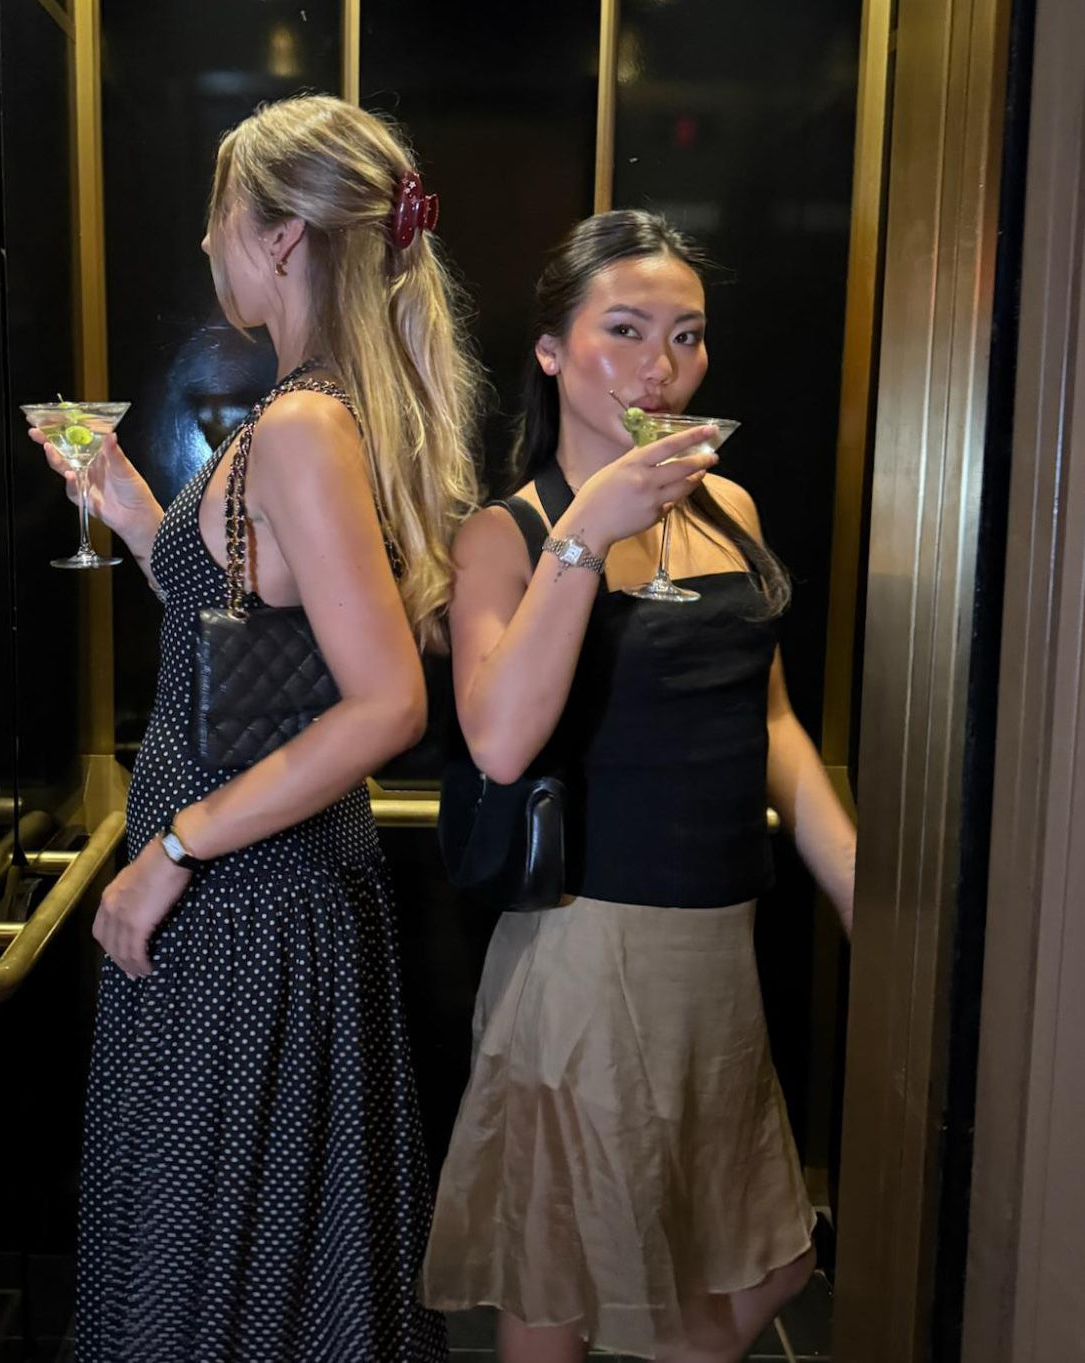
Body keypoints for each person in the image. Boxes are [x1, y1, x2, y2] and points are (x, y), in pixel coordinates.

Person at [31, 94, 480, 1362]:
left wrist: (169, 856)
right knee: (250, 1277)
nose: (205, 242)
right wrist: (133, 505)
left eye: (219, 215)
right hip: (260, 901)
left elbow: (387, 702)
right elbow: (243, 628)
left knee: (210, 1284)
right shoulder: (316, 407)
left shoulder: (302, 425)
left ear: (282, 237)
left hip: (242, 907)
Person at [420, 210, 856, 1363]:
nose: (661, 365)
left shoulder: (732, 511)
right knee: (555, 1272)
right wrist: (584, 536)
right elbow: (499, 743)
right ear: (550, 349)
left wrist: (862, 886)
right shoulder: (503, 536)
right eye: (624, 328)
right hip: (587, 944)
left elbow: (773, 721)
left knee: (762, 1252)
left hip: (721, 941)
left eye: (687, 334)